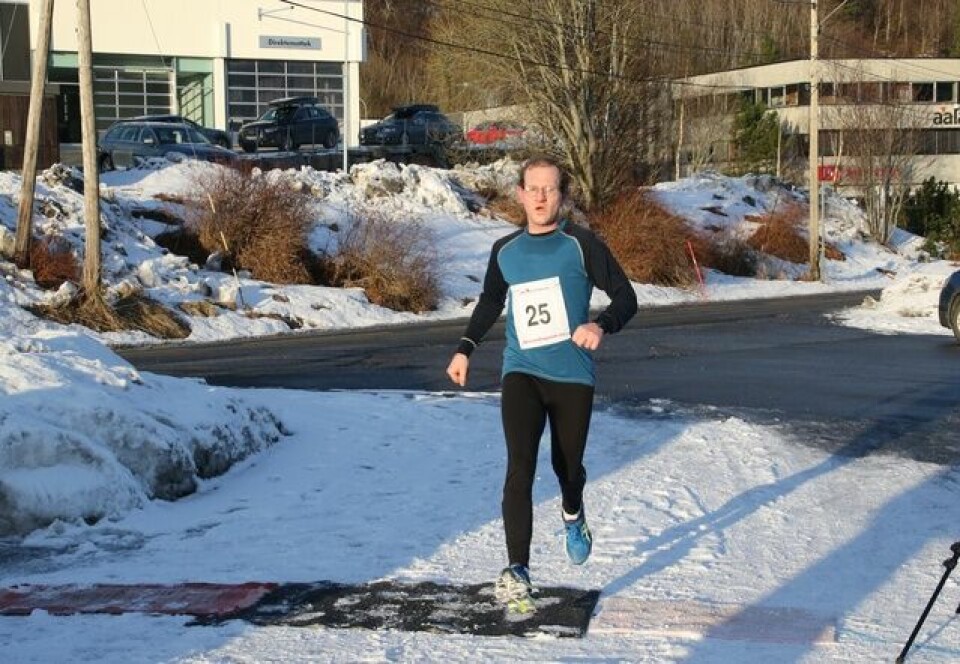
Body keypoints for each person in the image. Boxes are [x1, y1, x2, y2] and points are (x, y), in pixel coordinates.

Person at [445, 155, 638, 613]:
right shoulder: (505, 251)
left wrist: (601, 325)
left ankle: (573, 512)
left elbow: (626, 296)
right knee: (519, 467)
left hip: (572, 374)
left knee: (567, 469)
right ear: (519, 194)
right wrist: (464, 348)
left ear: (562, 196)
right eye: (532, 188)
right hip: (522, 372)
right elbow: (492, 300)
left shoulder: (580, 245)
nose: (540, 197)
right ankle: (518, 570)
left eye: (549, 189)